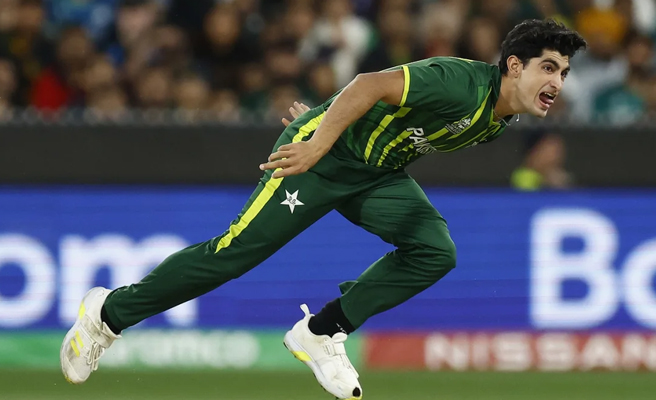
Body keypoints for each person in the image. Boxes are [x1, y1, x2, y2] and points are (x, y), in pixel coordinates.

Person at [60, 19, 586, 400]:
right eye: (548, 67)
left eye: (563, 71)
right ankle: (105, 315)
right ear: (514, 65)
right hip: (322, 160)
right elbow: (368, 85)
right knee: (233, 255)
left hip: (372, 172)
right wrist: (317, 136)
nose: (557, 83)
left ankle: (319, 332)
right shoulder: (459, 83)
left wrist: (324, 115)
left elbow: (382, 114)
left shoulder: (500, 117)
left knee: (435, 251)